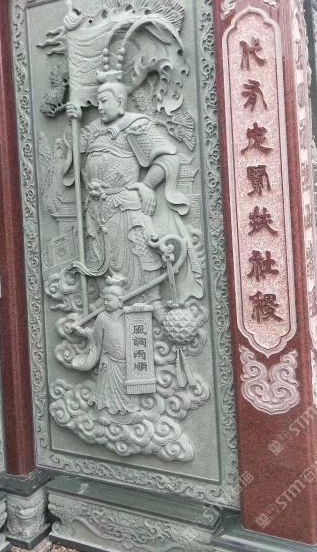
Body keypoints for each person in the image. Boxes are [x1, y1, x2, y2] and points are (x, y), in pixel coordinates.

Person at [65, 75, 202, 315]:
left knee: (139, 249)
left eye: (104, 100)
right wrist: (72, 123)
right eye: (97, 101)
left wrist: (147, 185)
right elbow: (75, 156)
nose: (99, 106)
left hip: (125, 202)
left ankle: (152, 300)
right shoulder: (92, 130)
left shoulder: (135, 125)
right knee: (101, 253)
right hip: (97, 206)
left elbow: (167, 157)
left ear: (120, 101)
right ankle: (109, 299)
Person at [70, 277, 141, 419]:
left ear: (120, 300)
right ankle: (105, 414)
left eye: (109, 300)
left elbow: (139, 326)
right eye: (104, 300)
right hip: (109, 362)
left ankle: (130, 413)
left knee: (127, 390)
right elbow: (96, 338)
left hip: (126, 363)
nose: (105, 303)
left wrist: (140, 309)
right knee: (108, 391)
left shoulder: (128, 314)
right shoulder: (102, 317)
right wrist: (81, 331)